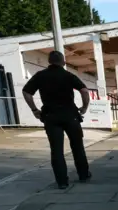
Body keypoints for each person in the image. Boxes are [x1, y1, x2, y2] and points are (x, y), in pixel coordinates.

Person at [22, 50, 92, 189]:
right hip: (70, 115)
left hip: (50, 116)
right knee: (77, 146)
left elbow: (26, 92)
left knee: (56, 150)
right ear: (63, 62)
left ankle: (62, 182)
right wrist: (84, 107)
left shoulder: (40, 76)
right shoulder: (68, 75)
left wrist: (35, 110)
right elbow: (84, 91)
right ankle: (83, 175)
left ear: (49, 61)